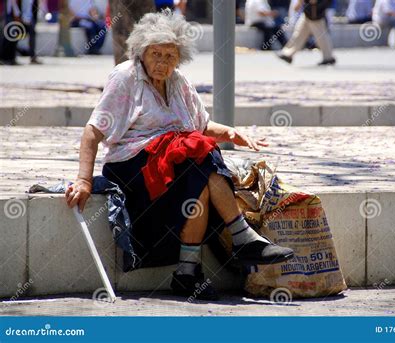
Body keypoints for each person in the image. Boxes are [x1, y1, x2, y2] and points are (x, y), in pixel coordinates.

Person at [65, 10, 294, 301]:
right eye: (155, 54)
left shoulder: (179, 81)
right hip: (132, 165)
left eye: (169, 56)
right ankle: (241, 237)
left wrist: (232, 134)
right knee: (197, 151)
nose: (162, 62)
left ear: (179, 57)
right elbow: (92, 132)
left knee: (199, 164)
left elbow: (201, 125)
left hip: (178, 161)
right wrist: (84, 180)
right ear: (142, 53)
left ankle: (188, 274)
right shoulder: (125, 78)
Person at [277, 0, 336, 65]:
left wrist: (300, 2)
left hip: (315, 13)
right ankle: (288, 53)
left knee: (321, 37)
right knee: (299, 33)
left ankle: (328, 57)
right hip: (308, 12)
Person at [0, 0, 21, 65]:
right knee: (6, 37)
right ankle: (5, 58)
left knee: (11, 37)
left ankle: (9, 58)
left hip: (9, 14)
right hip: (6, 15)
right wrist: (16, 13)